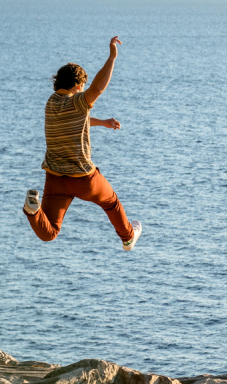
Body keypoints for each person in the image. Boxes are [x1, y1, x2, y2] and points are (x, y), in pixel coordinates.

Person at [22, 36, 142, 251]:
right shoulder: (77, 101)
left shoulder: (51, 103)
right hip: (83, 179)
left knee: (49, 233)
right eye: (83, 87)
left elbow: (77, 119)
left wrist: (103, 122)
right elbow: (97, 89)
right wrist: (112, 57)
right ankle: (128, 238)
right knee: (111, 202)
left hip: (55, 179)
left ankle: (32, 211)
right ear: (78, 86)